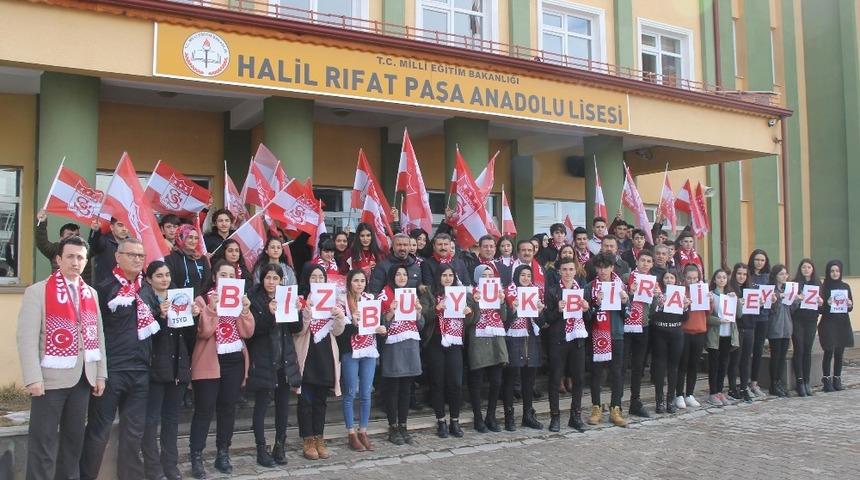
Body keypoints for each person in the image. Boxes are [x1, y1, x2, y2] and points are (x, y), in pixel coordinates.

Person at [17, 235, 106, 480]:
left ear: (86, 261)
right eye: (70, 256)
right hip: (49, 380)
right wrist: (32, 378)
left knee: (73, 442)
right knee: (43, 443)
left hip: (82, 378)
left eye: (80, 257)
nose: (75, 262)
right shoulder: (38, 291)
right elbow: (26, 339)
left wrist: (100, 374)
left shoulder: (91, 294)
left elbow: (98, 336)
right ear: (58, 259)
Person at [80, 239, 159, 480]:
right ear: (118, 256)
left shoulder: (146, 289)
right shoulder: (103, 288)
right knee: (99, 431)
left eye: (141, 255)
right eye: (132, 254)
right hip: (111, 371)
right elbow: (92, 330)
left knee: (133, 433)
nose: (137, 259)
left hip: (140, 370)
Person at [188, 260, 254, 479]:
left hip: (234, 360)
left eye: (232, 275)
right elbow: (204, 332)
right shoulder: (203, 299)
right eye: (223, 274)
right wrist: (210, 309)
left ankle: (222, 453)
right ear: (215, 277)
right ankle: (196, 456)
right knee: (204, 410)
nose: (228, 278)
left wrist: (245, 310)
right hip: (210, 362)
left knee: (227, 409)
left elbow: (247, 332)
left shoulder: (239, 300)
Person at [140, 260, 194, 480]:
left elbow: (189, 337)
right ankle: (153, 468)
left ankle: (170, 465)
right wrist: (158, 316)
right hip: (155, 369)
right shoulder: (145, 299)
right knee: (151, 421)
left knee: (172, 421)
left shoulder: (178, 296)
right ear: (149, 279)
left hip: (177, 369)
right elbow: (146, 336)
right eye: (159, 275)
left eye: (167, 275)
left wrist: (194, 316)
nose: (165, 279)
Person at [246, 264, 302, 468]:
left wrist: (297, 311)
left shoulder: (285, 296)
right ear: (262, 279)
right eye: (268, 278)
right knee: (261, 406)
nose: (271, 282)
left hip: (284, 360)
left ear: (281, 280)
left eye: (275, 278)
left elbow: (296, 328)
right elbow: (252, 332)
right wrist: (269, 314)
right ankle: (261, 449)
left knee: (283, 407)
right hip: (263, 359)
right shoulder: (254, 298)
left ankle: (280, 445)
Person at [294, 264, 346, 460]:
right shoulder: (300, 301)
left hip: (325, 354)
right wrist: (307, 310)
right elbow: (297, 330)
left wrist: (339, 317)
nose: (317, 281)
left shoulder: (333, 300)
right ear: (307, 280)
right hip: (307, 354)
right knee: (305, 400)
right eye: (313, 277)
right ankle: (307, 438)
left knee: (320, 401)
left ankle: (319, 437)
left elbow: (338, 331)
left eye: (320, 277)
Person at [420, 264, 473, 438]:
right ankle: (441, 421)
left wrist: (469, 312)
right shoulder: (429, 293)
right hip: (436, 341)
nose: (448, 278)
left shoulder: (461, 293)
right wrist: (436, 309)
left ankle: (455, 421)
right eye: (444, 275)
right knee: (437, 383)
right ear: (438, 277)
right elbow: (423, 317)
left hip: (455, 342)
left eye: (451, 275)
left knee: (456, 383)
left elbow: (472, 317)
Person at [338, 269, 386, 451]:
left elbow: (376, 323)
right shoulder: (342, 302)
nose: (359, 284)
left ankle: (363, 430)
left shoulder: (370, 300)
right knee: (350, 392)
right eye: (356, 280)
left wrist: (381, 329)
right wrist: (353, 323)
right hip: (350, 350)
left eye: (362, 281)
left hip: (368, 348)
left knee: (366, 392)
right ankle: (351, 432)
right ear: (349, 282)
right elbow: (340, 331)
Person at [378, 264, 424, 444]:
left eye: (405, 274)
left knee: (407, 387)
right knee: (393, 388)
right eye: (398, 274)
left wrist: (419, 312)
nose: (402, 277)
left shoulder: (411, 295)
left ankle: (404, 425)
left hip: (410, 344)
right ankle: (393, 426)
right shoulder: (384, 295)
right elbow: (379, 325)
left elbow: (420, 325)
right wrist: (390, 312)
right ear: (391, 276)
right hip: (393, 345)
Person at [543, 258, 589, 432]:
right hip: (558, 340)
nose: (568, 273)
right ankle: (555, 417)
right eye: (565, 269)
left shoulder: (582, 290)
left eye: (571, 269)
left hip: (577, 339)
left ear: (575, 271)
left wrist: (586, 309)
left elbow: (588, 318)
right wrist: (558, 310)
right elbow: (547, 318)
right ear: (559, 272)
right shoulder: (553, 291)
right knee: (555, 379)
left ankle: (575, 416)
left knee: (578, 379)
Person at [584, 252, 628, 427]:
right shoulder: (589, 287)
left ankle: (615, 407)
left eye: (606, 267)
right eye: (599, 267)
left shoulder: (620, 286)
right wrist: (595, 303)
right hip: (597, 334)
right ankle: (596, 407)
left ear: (612, 268)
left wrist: (625, 301)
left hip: (616, 333)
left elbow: (628, 314)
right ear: (596, 268)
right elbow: (586, 316)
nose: (602, 271)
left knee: (616, 372)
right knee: (596, 373)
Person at [502, 264, 544, 431]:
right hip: (513, 337)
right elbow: (504, 319)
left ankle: (528, 414)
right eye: (523, 275)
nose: (526, 278)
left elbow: (541, 322)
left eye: (528, 275)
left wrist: (540, 311)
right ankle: (509, 416)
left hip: (530, 337)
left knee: (529, 379)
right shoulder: (509, 293)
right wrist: (514, 308)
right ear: (517, 276)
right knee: (511, 378)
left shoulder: (535, 293)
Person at [468, 265, 509, 433]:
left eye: (490, 275)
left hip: (496, 338)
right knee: (477, 381)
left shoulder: (498, 291)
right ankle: (478, 418)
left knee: (496, 381)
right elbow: (469, 321)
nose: (487, 278)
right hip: (478, 338)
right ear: (478, 277)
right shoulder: (471, 294)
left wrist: (501, 302)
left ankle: (490, 416)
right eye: (484, 275)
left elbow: (504, 317)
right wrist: (476, 304)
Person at [624, 249, 655, 418]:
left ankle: (635, 402)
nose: (645, 264)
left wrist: (658, 296)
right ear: (637, 261)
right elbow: (618, 301)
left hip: (643, 326)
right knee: (621, 365)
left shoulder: (652, 281)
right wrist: (630, 291)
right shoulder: (626, 277)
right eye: (642, 260)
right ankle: (616, 404)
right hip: (626, 326)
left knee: (638, 367)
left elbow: (656, 308)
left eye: (648, 261)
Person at [650, 270, 685, 414]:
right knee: (659, 367)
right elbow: (652, 314)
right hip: (659, 333)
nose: (669, 280)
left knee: (673, 367)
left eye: (672, 277)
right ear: (662, 280)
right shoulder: (657, 294)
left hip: (676, 333)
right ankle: (659, 400)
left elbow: (685, 318)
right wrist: (658, 301)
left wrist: (686, 307)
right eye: (666, 277)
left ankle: (671, 400)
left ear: (676, 280)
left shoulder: (681, 295)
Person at [674, 264, 706, 410]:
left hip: (699, 330)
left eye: (695, 278)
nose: (692, 281)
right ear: (684, 279)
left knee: (694, 365)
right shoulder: (681, 292)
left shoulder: (702, 291)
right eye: (689, 278)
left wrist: (710, 301)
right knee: (683, 365)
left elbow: (708, 312)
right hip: (685, 331)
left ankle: (690, 393)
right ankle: (679, 394)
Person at [818, 260, 854, 392]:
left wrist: (849, 304)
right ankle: (826, 379)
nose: (835, 273)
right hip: (828, 323)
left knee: (839, 352)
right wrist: (826, 303)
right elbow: (820, 309)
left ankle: (837, 378)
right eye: (832, 271)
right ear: (828, 272)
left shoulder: (845, 286)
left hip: (842, 323)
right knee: (828, 351)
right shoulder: (824, 287)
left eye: (837, 271)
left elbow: (850, 308)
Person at [706, 269, 738, 407]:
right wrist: (719, 321)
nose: (721, 279)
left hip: (728, 335)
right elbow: (707, 317)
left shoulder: (730, 296)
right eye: (718, 277)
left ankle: (719, 391)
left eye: (724, 277)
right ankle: (712, 393)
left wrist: (736, 300)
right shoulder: (711, 295)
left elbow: (739, 315)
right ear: (714, 280)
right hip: (715, 335)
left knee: (724, 365)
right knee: (714, 365)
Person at [763, 264, 795, 397]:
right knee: (775, 356)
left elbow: (793, 309)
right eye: (781, 274)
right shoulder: (771, 290)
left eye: (785, 274)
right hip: (775, 327)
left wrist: (796, 300)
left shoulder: (788, 289)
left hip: (786, 326)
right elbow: (769, 309)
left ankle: (780, 382)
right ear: (775, 276)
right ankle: (773, 383)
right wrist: (776, 300)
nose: (784, 276)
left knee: (782, 357)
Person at [791, 259, 822, 396]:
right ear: (800, 269)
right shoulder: (795, 284)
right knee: (799, 349)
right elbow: (789, 305)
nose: (806, 269)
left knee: (808, 350)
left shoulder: (818, 284)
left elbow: (822, 308)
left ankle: (806, 381)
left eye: (809, 267)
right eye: (804, 267)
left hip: (811, 320)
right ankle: (799, 381)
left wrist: (821, 303)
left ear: (813, 269)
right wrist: (797, 298)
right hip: (797, 319)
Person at [746, 249, 771, 398]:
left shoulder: (768, 277)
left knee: (758, 351)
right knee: (747, 351)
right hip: (749, 318)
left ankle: (754, 382)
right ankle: (745, 382)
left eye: (762, 260)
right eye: (757, 260)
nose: (759, 262)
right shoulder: (747, 275)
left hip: (763, 318)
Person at [729, 262, 755, 403]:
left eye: (744, 274)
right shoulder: (730, 289)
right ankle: (732, 387)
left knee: (746, 359)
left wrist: (760, 303)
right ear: (734, 274)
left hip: (749, 326)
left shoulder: (750, 289)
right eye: (739, 273)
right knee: (735, 359)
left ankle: (744, 386)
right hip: (736, 328)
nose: (742, 277)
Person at [35, 209, 86, 276]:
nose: (74, 237)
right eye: (70, 234)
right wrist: (41, 223)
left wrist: (95, 231)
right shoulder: (56, 249)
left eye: (76, 235)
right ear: (61, 238)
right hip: (58, 285)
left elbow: (96, 246)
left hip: (79, 286)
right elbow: (42, 242)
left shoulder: (84, 249)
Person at [165, 224, 211, 299]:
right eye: (190, 237)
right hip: (178, 301)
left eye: (196, 238)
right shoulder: (171, 257)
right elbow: (170, 281)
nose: (193, 241)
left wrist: (199, 299)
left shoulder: (202, 259)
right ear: (180, 237)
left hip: (198, 302)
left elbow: (207, 282)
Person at [88, 217, 129, 284]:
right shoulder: (103, 241)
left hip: (126, 287)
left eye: (126, 226)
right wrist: (95, 231)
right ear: (112, 227)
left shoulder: (132, 244)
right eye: (120, 225)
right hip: (105, 289)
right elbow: (93, 244)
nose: (124, 229)